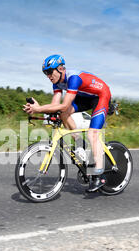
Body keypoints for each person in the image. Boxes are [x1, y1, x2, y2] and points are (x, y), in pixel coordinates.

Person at [23, 54, 112, 192]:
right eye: (45, 73)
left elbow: (64, 105)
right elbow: (55, 104)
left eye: (49, 72)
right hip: (85, 97)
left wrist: (39, 108)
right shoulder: (56, 82)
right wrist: (38, 110)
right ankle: (79, 142)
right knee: (62, 114)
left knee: (92, 134)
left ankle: (99, 176)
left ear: (60, 69)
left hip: (101, 95)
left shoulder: (73, 78)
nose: (48, 76)